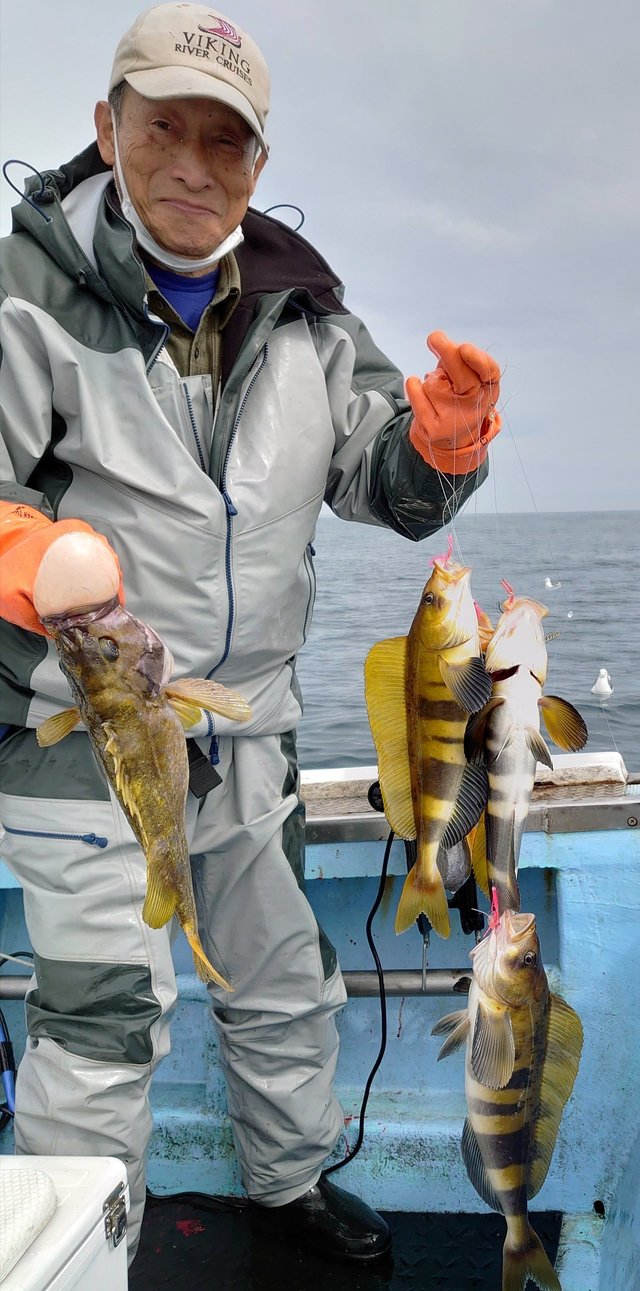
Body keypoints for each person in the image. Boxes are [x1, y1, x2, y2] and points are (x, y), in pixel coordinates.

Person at [0, 2, 501, 1266]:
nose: (190, 163)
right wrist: (25, 554)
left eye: (224, 141)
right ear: (105, 130)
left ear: (259, 166)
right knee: (110, 1010)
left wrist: (441, 441)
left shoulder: (311, 318)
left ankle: (287, 1186)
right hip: (85, 727)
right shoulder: (25, 295)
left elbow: (385, 483)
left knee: (284, 976)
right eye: (161, 125)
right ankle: (80, 1251)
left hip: (253, 720)